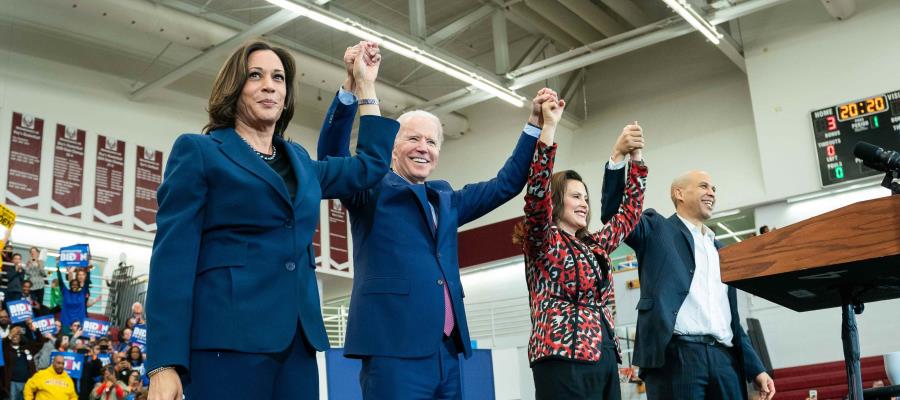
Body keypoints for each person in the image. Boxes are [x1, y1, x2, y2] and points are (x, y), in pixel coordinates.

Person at [144, 39, 398, 400]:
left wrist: (364, 85)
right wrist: (163, 363)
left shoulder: (300, 161)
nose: (270, 85)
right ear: (234, 87)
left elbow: (370, 167)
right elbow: (172, 261)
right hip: (226, 345)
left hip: (297, 344)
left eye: (278, 78)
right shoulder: (199, 152)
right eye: (256, 76)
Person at [317, 43, 549, 398]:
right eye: (412, 138)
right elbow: (331, 156)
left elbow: (506, 185)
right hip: (393, 350)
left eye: (431, 141)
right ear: (390, 147)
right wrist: (353, 88)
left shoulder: (446, 199)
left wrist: (534, 124)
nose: (423, 147)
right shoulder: (369, 188)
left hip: (446, 353)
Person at [600, 159, 776, 399]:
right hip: (676, 358)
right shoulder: (656, 229)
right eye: (704, 186)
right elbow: (614, 215)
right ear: (679, 193)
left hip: (726, 361)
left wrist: (757, 368)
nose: (711, 193)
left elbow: (730, 319)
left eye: (714, 189)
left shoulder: (720, 250)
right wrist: (618, 160)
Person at [516, 111, 647, 399]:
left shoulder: (595, 245)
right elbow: (536, 192)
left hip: (603, 354)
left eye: (586, 198)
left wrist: (634, 158)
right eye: (576, 196)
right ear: (556, 200)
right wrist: (548, 128)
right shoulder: (544, 240)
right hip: (561, 357)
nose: (584, 203)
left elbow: (629, 214)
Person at [4, 325, 47, 400]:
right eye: (13, 333)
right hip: (12, 383)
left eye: (17, 334)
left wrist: (35, 329)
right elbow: (2, 344)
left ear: (21, 336)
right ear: (10, 335)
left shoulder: (27, 347)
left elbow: (40, 342)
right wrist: (10, 335)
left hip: (27, 383)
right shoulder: (6, 349)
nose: (15, 336)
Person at [54, 266, 100, 335]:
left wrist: (88, 270)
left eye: (76, 284)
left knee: (79, 342)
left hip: (80, 321)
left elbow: (87, 281)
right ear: (70, 285)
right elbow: (60, 281)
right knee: (66, 341)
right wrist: (57, 267)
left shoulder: (83, 292)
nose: (74, 286)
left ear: (79, 286)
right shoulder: (65, 292)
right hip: (66, 322)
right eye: (72, 284)